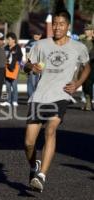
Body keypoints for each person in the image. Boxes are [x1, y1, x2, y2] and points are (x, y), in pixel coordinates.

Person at [23, 10, 91, 192]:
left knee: (50, 130)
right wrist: (31, 66)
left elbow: (87, 67)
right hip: (39, 97)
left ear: (68, 26)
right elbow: (26, 66)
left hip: (60, 96)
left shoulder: (78, 47)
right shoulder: (41, 45)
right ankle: (33, 167)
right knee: (29, 143)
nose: (57, 27)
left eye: (61, 23)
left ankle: (41, 176)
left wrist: (77, 83)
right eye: (55, 23)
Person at [1, 32, 22, 107]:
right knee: (7, 86)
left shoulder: (17, 48)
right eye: (7, 39)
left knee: (14, 85)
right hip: (6, 68)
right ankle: (8, 101)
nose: (8, 41)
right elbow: (3, 56)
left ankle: (15, 100)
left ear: (14, 40)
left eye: (9, 39)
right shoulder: (5, 47)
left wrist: (13, 63)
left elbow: (19, 58)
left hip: (14, 69)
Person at [80, 24, 94, 111]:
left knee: (89, 83)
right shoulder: (81, 41)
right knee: (85, 84)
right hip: (84, 65)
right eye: (86, 30)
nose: (86, 31)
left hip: (93, 64)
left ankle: (89, 103)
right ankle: (88, 103)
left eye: (89, 30)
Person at [25, 30, 42, 98]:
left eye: (38, 34)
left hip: (38, 65)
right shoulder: (30, 43)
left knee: (34, 82)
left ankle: (33, 97)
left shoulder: (41, 43)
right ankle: (32, 97)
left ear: (40, 36)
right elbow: (27, 55)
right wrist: (29, 65)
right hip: (32, 65)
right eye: (35, 34)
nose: (36, 36)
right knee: (32, 82)